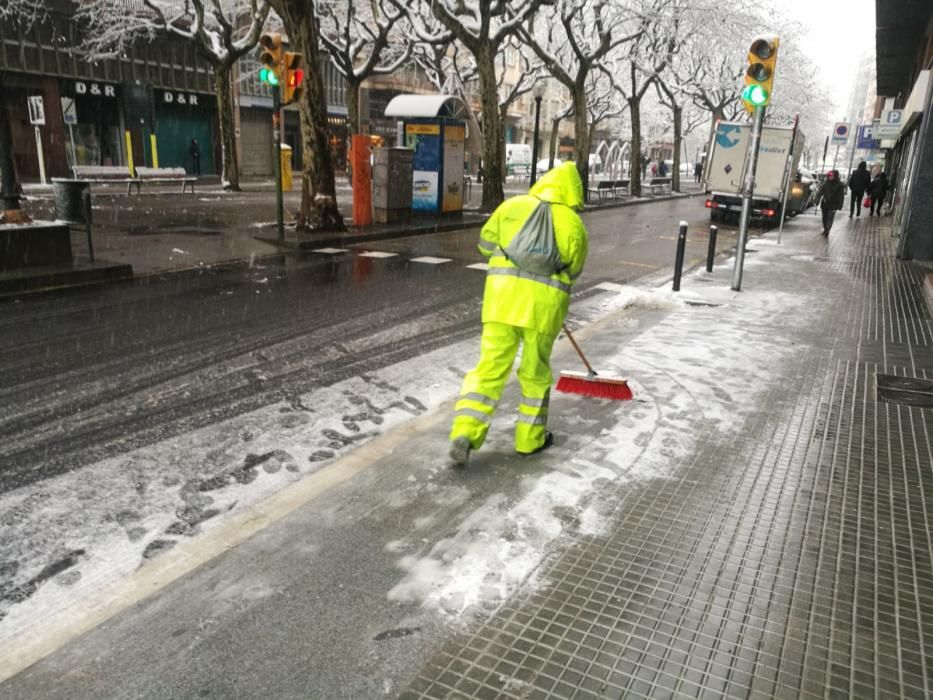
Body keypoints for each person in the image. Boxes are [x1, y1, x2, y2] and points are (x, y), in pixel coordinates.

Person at [449, 161, 589, 467]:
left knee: (488, 369)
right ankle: (529, 440)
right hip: (542, 309)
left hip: (500, 302)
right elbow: (573, 269)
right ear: (572, 191)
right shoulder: (573, 223)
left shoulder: (512, 206)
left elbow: (486, 244)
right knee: (534, 374)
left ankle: (465, 431)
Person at [815, 169, 845, 236]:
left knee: (830, 217)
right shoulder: (825, 183)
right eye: (829, 176)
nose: (830, 177)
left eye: (831, 176)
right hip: (825, 204)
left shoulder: (840, 185)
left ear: (835, 176)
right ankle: (825, 229)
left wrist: (840, 205)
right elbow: (820, 192)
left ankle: (827, 230)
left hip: (833, 205)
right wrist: (817, 200)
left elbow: (841, 196)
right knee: (824, 217)